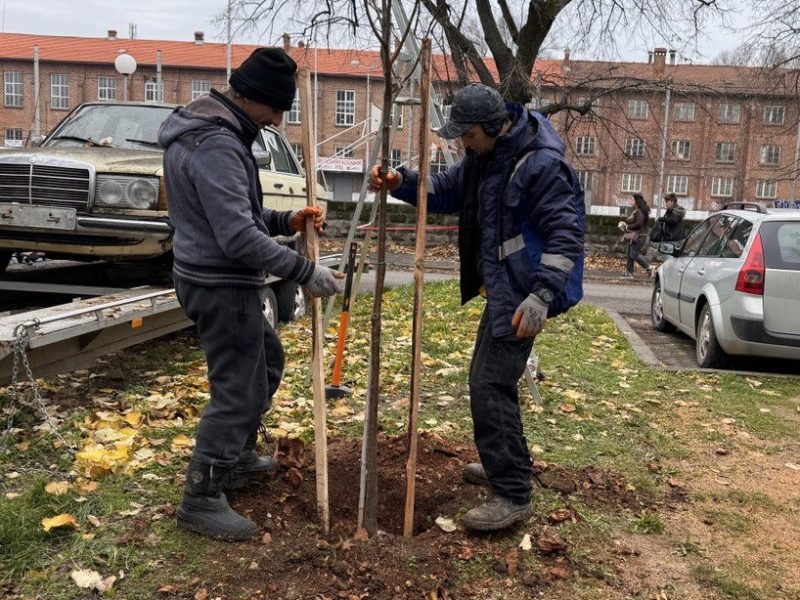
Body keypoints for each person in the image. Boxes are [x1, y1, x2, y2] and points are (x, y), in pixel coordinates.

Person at [369, 83, 584, 532]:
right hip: (506, 290)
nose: (461, 142)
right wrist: (401, 182)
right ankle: (504, 462)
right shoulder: (487, 158)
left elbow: (566, 235)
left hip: (525, 295)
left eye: (467, 135)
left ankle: (511, 491)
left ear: (491, 127)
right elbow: (444, 190)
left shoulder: (539, 165)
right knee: (487, 380)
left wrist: (542, 295)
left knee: (489, 384)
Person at [158, 47, 343, 541]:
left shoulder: (214, 132)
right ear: (255, 98)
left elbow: (235, 214)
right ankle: (201, 495)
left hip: (214, 275)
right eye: (278, 108)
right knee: (239, 390)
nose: (279, 119)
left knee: (265, 365)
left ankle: (235, 457)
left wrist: (286, 221)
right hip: (220, 283)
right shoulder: (215, 144)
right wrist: (305, 271)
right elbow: (237, 237)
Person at [622, 193, 654, 278]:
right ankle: (629, 273)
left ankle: (649, 267)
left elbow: (639, 224)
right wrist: (625, 224)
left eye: (632, 200)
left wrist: (627, 226)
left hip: (639, 236)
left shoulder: (640, 211)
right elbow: (634, 221)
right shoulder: (636, 210)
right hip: (635, 235)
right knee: (630, 254)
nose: (630, 201)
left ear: (636, 201)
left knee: (634, 254)